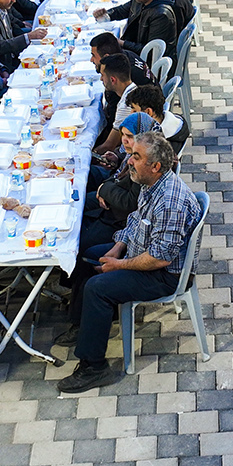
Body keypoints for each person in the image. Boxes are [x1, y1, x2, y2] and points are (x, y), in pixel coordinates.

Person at [56, 131, 200, 393]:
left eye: (136, 156)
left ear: (155, 166)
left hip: (164, 275)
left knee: (98, 288)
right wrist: (116, 248)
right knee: (84, 255)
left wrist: (119, 265)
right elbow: (135, 222)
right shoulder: (150, 184)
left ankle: (94, 367)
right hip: (140, 252)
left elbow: (159, 258)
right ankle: (84, 325)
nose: (129, 161)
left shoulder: (169, 201)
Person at [94, 0, 178, 58]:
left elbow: (151, 51)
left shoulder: (161, 15)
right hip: (136, 48)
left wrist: (121, 43)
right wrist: (105, 15)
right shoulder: (140, 0)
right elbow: (123, 10)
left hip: (150, 61)